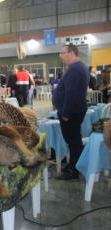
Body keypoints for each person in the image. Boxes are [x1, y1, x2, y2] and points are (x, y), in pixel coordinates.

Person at [53, 44, 89, 180]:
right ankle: (73, 166)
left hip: (71, 112)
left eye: (62, 53)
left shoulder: (74, 69)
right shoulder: (80, 67)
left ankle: (73, 170)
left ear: (71, 53)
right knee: (74, 140)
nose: (60, 56)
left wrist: (65, 113)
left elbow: (71, 93)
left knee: (73, 141)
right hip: (76, 110)